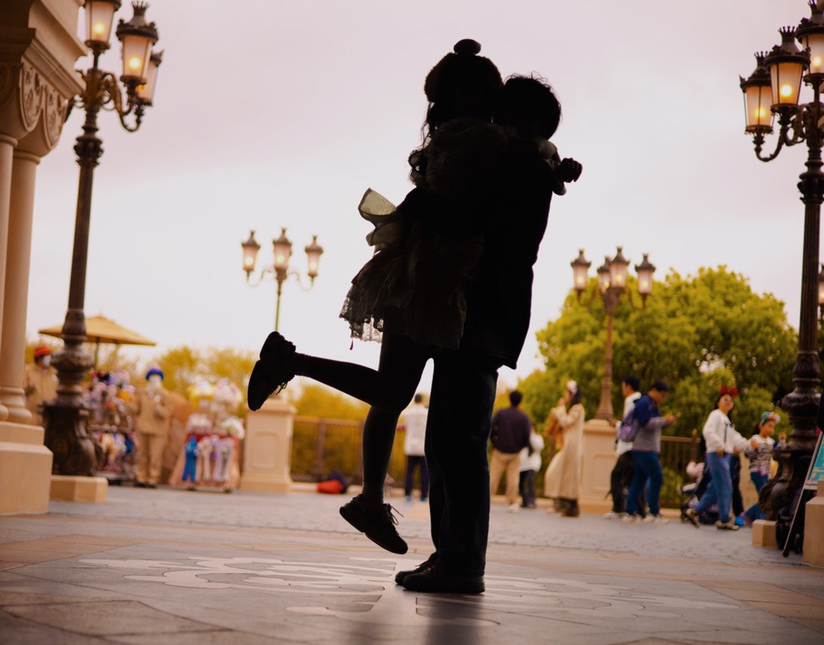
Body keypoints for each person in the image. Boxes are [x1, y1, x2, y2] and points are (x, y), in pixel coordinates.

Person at [249, 40, 565, 593]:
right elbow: (477, 209)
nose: (501, 121)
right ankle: (456, 559)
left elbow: (475, 207)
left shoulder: (500, 153)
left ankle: (452, 555)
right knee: (451, 436)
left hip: (460, 299)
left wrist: (546, 164)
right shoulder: (505, 154)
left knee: (435, 425)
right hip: (470, 304)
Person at [684, 386, 750, 530]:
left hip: (725, 455)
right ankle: (724, 519)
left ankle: (694, 512)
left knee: (715, 489)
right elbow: (708, 431)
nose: (728, 402)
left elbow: (734, 438)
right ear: (718, 402)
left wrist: (748, 444)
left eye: (731, 400)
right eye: (725, 399)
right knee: (726, 486)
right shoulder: (716, 415)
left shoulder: (727, 420)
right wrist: (719, 445)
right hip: (718, 454)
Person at [622, 380, 678, 524]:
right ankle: (653, 512)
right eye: (662, 395)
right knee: (657, 476)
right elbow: (645, 423)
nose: (663, 399)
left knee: (639, 479)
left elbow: (654, 424)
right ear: (654, 391)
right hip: (644, 448)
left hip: (644, 447)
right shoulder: (644, 403)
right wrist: (663, 420)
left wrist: (665, 423)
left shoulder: (652, 404)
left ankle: (630, 511)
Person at [543, 381, 585, 517]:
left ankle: (567, 505)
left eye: (567, 393)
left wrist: (560, 409)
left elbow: (566, 422)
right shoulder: (574, 409)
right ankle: (563, 504)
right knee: (560, 473)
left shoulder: (578, 408)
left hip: (572, 446)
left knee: (566, 475)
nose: (565, 395)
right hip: (569, 446)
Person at [603, 376, 643, 519]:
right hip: (638, 447)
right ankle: (639, 510)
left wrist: (617, 424)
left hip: (628, 447)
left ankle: (618, 508)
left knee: (616, 476)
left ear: (628, 386)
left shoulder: (631, 400)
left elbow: (629, 425)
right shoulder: (641, 400)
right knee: (633, 479)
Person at [489, 390, 532, 513]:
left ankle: (486, 499)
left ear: (509, 399)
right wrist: (521, 446)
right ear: (520, 401)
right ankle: (512, 502)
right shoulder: (523, 417)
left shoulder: (501, 413)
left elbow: (491, 428)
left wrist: (494, 443)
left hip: (499, 450)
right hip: (515, 452)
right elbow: (527, 436)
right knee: (513, 479)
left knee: (493, 477)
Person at [131, 366, 172, 488]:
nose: (154, 378)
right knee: (142, 455)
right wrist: (128, 402)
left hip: (157, 430)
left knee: (155, 456)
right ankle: (141, 477)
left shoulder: (164, 394)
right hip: (143, 428)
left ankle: (152, 479)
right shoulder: (143, 393)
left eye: (157, 376)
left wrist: (160, 410)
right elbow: (137, 409)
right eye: (152, 376)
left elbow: (168, 410)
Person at [742, 411, 779, 525]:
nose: (771, 429)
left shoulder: (770, 442)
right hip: (757, 471)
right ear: (761, 426)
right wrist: (752, 448)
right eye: (769, 426)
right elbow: (748, 455)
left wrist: (782, 441)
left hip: (766, 471)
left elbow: (777, 453)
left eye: (773, 427)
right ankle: (757, 518)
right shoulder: (755, 439)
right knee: (765, 496)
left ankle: (749, 515)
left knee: (765, 495)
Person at [400, 393, 429, 502]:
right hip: (423, 446)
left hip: (410, 446)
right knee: (424, 472)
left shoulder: (408, 413)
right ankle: (423, 495)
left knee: (409, 472)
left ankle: (408, 494)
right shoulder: (426, 413)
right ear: (422, 400)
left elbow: (405, 426)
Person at [23, 345, 58, 426]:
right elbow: (21, 388)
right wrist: (28, 386)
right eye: (47, 356)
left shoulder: (55, 372)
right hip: (33, 413)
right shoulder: (28, 370)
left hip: (50, 414)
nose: (49, 359)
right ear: (39, 358)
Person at [519, 425, 544, 509]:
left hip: (533, 464)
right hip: (522, 465)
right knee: (521, 483)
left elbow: (539, 447)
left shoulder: (537, 438)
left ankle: (532, 501)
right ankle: (525, 501)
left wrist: (531, 435)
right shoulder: (522, 438)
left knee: (530, 479)